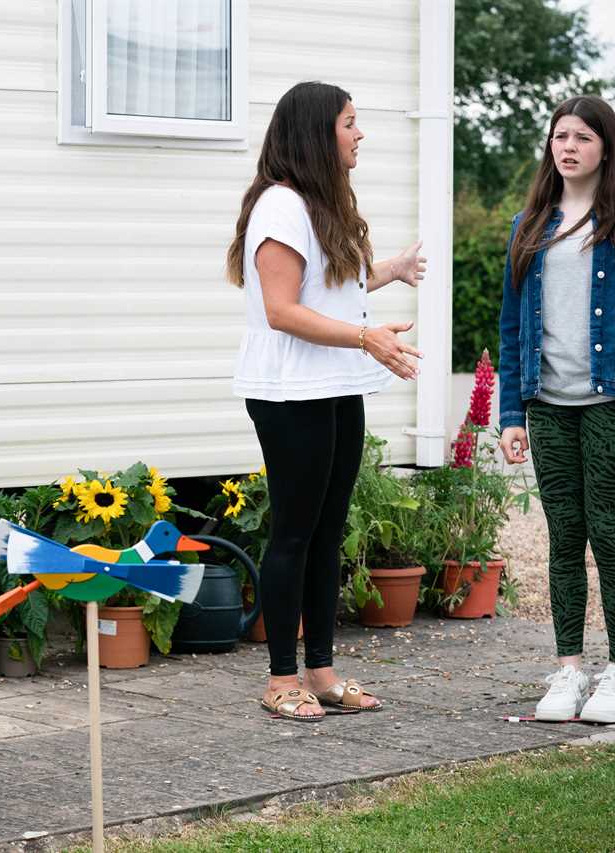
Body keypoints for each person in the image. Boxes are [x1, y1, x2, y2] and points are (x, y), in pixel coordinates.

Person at [227, 81, 426, 721]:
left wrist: (390, 269)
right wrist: (367, 337)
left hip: (337, 385)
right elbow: (282, 310)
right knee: (294, 533)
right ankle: (281, 679)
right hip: (290, 391)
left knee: (328, 532)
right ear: (318, 132)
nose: (359, 133)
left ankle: (321, 671)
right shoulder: (280, 207)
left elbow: (334, 280)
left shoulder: (321, 203)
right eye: (349, 122)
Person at [497, 95, 615, 724]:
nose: (567, 147)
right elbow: (511, 325)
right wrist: (511, 414)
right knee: (563, 536)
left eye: (582, 138)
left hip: (610, 403)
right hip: (546, 404)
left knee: (608, 530)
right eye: (559, 137)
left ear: (606, 148)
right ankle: (569, 669)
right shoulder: (529, 224)